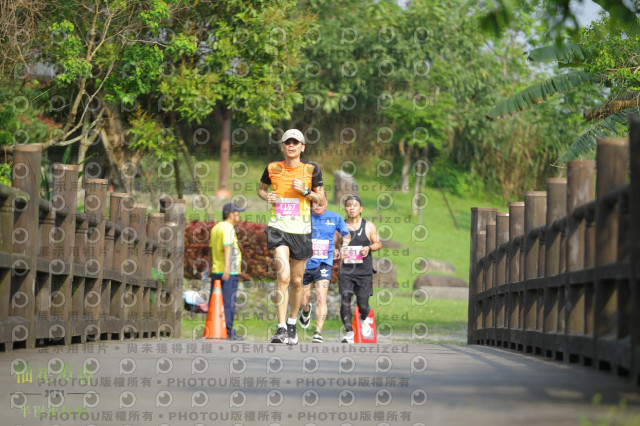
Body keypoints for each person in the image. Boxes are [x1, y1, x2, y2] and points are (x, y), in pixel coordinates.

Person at [258, 128, 325, 345]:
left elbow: (321, 200)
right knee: (283, 276)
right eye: (288, 142)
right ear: (283, 146)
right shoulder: (272, 168)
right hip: (278, 227)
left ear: (302, 147)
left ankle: (292, 323)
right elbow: (261, 189)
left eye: (296, 143)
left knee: (297, 280)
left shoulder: (311, 169)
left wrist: (305, 191)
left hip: (302, 230)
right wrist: (266, 196)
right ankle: (279, 328)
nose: (291, 146)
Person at [298, 197, 351, 343]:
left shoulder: (335, 217)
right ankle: (305, 311)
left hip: (324, 263)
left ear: (326, 202)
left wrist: (344, 246)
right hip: (305, 263)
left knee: (321, 297)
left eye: (320, 203)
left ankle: (317, 332)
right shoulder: (304, 216)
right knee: (304, 299)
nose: (317, 206)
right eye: (314, 203)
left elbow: (346, 235)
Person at [339, 194, 381, 343]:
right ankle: (349, 332)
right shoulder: (341, 226)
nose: (351, 208)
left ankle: (364, 319)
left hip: (364, 272)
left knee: (363, 305)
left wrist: (368, 248)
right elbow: (334, 246)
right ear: (345, 208)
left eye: (354, 205)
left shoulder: (368, 226)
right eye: (348, 205)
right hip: (346, 272)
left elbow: (378, 243)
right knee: (345, 299)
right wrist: (338, 252)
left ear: (361, 208)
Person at [209, 202, 246, 341]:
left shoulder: (216, 227)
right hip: (227, 272)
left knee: (217, 302)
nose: (239, 216)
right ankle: (228, 332)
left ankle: (217, 328)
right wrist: (227, 269)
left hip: (216, 270)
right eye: (238, 213)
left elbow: (211, 249)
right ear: (231, 214)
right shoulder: (228, 228)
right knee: (228, 302)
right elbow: (227, 247)